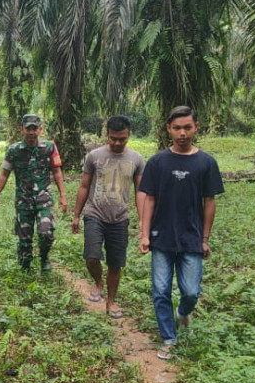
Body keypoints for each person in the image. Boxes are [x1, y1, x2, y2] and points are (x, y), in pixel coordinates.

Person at [137, 106, 224, 360]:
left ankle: (183, 312)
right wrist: (144, 235)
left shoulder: (206, 163)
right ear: (168, 129)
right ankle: (168, 338)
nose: (182, 133)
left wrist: (205, 239)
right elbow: (148, 199)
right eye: (177, 128)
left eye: (187, 127)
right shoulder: (157, 162)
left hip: (191, 237)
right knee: (161, 290)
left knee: (191, 291)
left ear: (196, 127)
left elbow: (209, 202)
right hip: (161, 237)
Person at [71, 115, 145, 318]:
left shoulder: (137, 159)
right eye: (113, 138)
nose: (117, 143)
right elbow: (84, 186)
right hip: (94, 213)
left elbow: (140, 191)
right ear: (107, 135)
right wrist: (76, 215)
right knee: (92, 256)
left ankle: (111, 302)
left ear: (129, 135)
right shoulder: (94, 156)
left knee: (115, 263)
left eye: (122, 139)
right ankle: (97, 282)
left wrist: (142, 220)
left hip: (120, 218)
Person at [0, 113, 69, 271]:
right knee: (24, 239)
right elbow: (4, 175)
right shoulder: (14, 150)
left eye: (35, 128)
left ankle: (44, 257)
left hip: (44, 199)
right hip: (23, 200)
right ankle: (25, 267)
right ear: (22, 130)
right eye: (28, 129)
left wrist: (63, 196)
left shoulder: (49, 147)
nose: (31, 132)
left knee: (46, 232)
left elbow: (57, 172)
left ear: (40, 130)